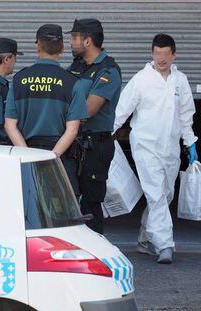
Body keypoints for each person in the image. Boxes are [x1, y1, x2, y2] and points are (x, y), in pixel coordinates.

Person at [113, 34, 198, 264]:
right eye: (157, 53)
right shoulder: (141, 80)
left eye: (165, 53)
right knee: (156, 193)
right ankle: (165, 245)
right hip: (144, 145)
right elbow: (122, 109)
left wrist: (190, 143)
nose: (161, 58)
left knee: (165, 194)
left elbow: (185, 114)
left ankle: (144, 237)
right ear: (152, 53)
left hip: (170, 148)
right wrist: (107, 133)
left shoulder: (180, 80)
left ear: (173, 54)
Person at [5, 24, 88, 194]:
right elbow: (72, 130)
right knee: (61, 217)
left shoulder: (19, 79)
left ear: (37, 47)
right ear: (62, 48)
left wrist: (28, 156)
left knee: (27, 210)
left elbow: (10, 125)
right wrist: (51, 159)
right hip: (60, 158)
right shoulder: (72, 82)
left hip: (25, 156)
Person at [66, 18, 122, 234]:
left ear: (87, 41)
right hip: (74, 144)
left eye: (74, 37)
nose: (70, 42)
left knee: (90, 204)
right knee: (70, 204)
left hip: (95, 146)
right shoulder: (76, 66)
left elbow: (87, 110)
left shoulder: (108, 70)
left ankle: (96, 255)